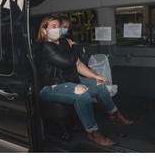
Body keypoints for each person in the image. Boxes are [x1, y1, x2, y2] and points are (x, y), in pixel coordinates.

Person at [35, 15, 133, 147]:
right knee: (82, 94)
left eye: (58, 26)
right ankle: (93, 132)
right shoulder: (44, 47)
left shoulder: (64, 42)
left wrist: (94, 76)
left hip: (68, 79)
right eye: (53, 27)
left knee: (98, 86)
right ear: (44, 30)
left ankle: (114, 113)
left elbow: (78, 64)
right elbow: (67, 61)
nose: (57, 29)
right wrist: (75, 47)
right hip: (50, 86)